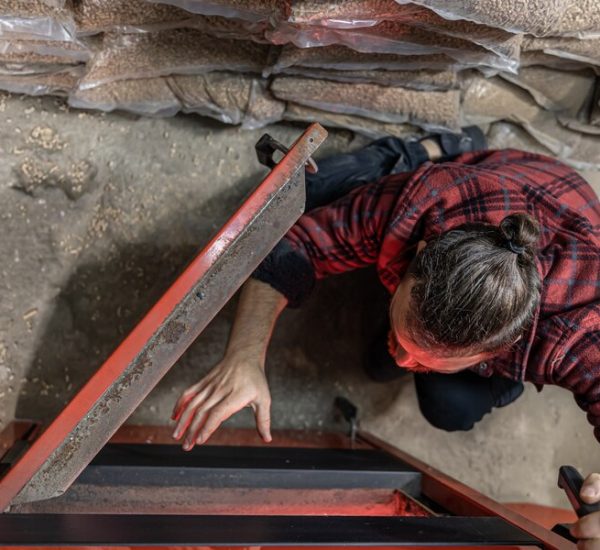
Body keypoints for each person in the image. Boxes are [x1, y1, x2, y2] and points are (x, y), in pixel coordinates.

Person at [171, 129, 600, 544]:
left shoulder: (578, 330)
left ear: (500, 349)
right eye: (408, 338)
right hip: (515, 175)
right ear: (418, 254)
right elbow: (299, 242)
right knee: (310, 192)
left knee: (449, 409)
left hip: (566, 231)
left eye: (425, 359)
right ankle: (428, 148)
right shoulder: (423, 202)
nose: (404, 360)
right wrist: (244, 355)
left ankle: (447, 355)